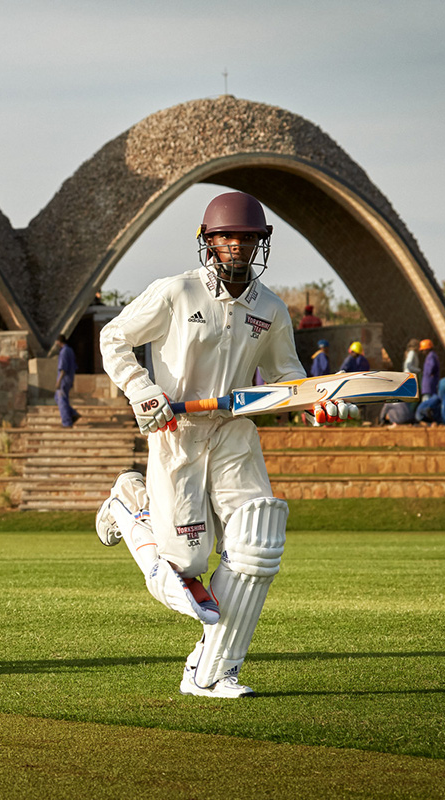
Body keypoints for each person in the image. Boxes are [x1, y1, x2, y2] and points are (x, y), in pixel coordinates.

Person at [94, 191, 356, 699]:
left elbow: (286, 379)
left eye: (246, 237)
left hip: (235, 434)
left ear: (261, 243)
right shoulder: (176, 292)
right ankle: (130, 502)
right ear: (209, 242)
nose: (237, 245)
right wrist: (143, 389)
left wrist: (316, 403)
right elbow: (113, 338)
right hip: (179, 434)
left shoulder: (270, 308)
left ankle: (211, 673)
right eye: (226, 237)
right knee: (185, 573)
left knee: (259, 542)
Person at [54, 334, 81, 428]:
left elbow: (63, 369)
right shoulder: (70, 350)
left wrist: (58, 381)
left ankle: (67, 422)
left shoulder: (64, 351)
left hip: (64, 379)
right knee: (58, 398)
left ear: (58, 341)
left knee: (61, 399)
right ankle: (73, 413)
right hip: (69, 378)